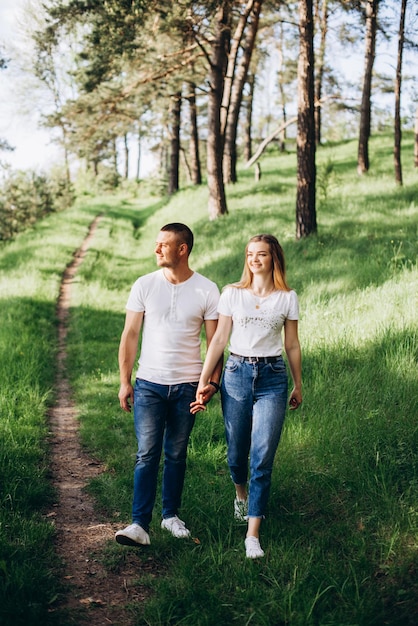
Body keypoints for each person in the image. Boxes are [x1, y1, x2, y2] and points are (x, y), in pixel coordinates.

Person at [192, 234, 302, 559]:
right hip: (237, 375)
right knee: (237, 453)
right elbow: (218, 340)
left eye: (262, 254)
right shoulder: (233, 294)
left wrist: (298, 383)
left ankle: (252, 535)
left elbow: (292, 344)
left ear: (274, 259)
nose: (255, 260)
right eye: (251, 254)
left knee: (263, 455)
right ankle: (241, 495)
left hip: (273, 378)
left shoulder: (287, 297)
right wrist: (203, 381)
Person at [115, 223, 222, 547]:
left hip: (188, 386)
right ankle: (139, 524)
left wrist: (210, 384)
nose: (156, 249)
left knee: (176, 453)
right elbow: (130, 335)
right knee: (147, 453)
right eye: (157, 243)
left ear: (182, 249)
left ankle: (170, 516)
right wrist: (124, 381)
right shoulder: (145, 285)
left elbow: (215, 343)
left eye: (163, 244)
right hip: (149, 384)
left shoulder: (207, 289)